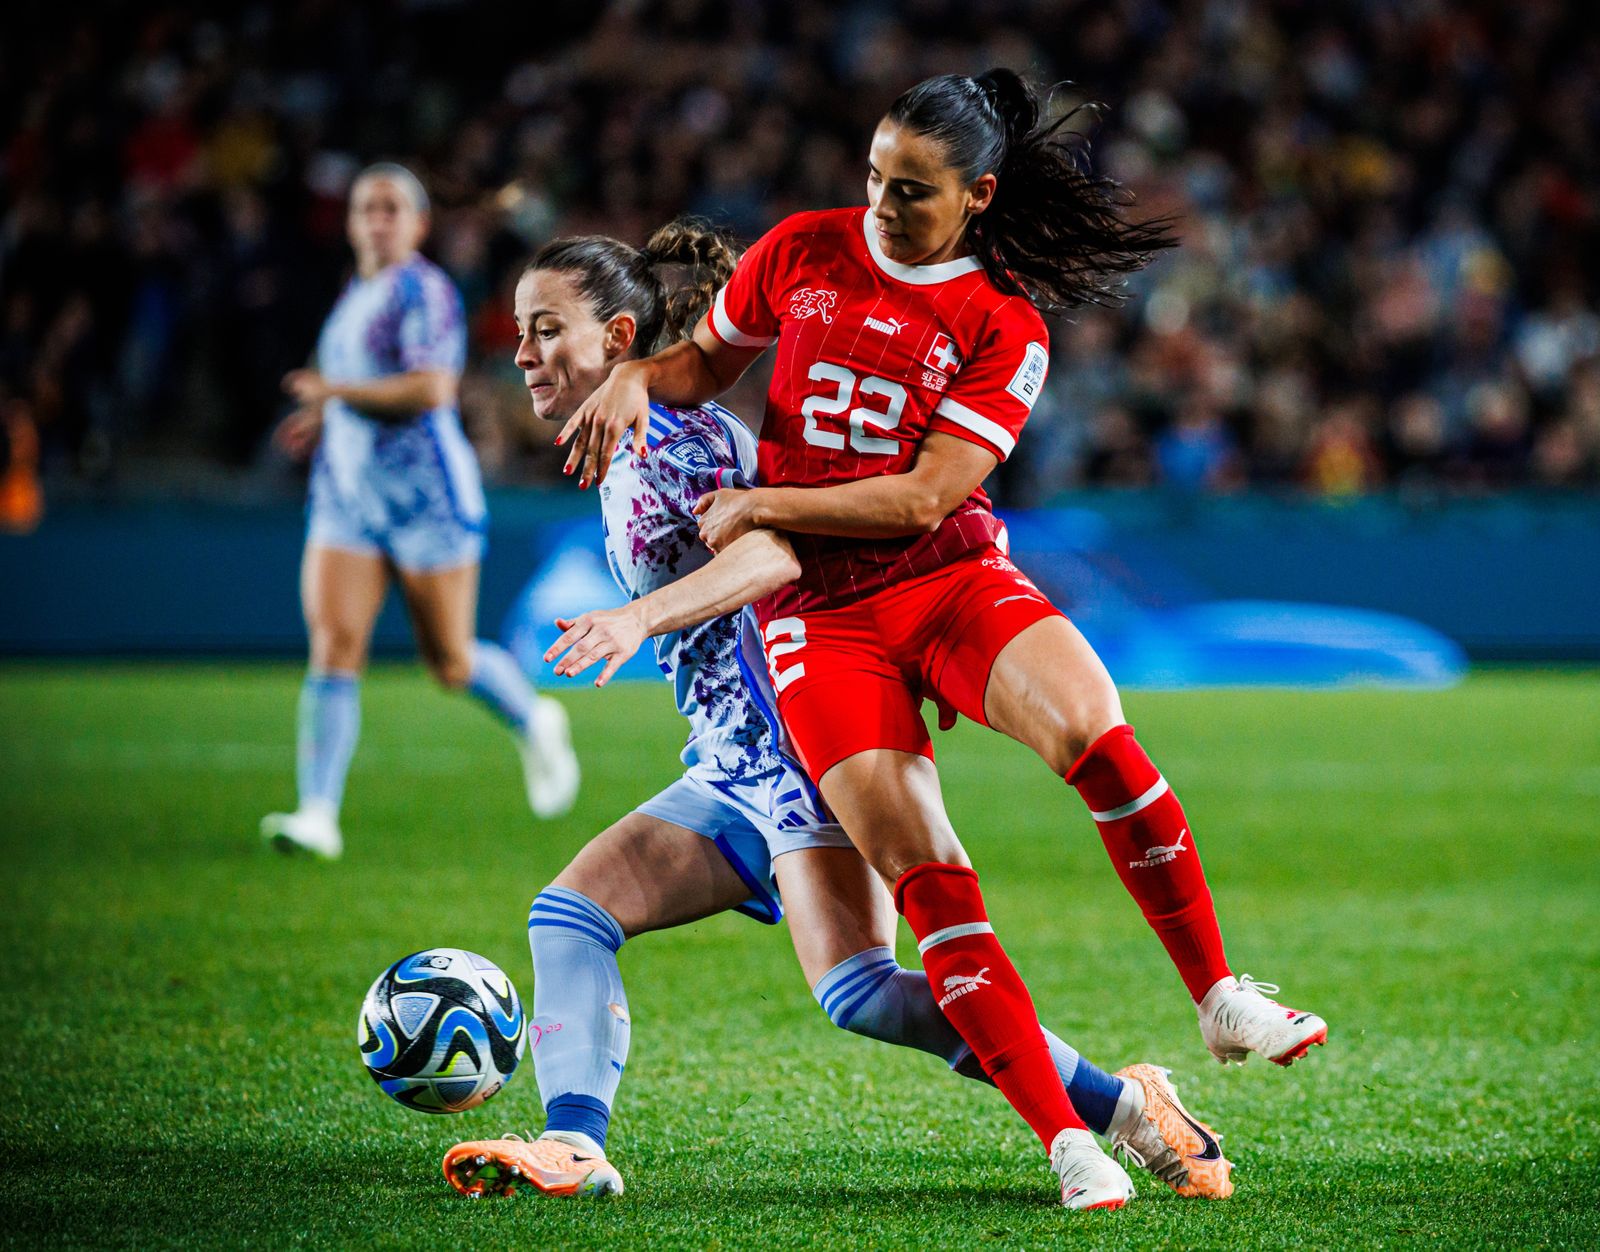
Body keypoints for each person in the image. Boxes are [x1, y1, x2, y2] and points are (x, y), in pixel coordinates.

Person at [555, 69, 1327, 1186]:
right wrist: (638, 373)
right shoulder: (800, 250)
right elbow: (701, 365)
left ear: (978, 194)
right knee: (928, 875)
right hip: (818, 620)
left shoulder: (1005, 323)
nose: (879, 208)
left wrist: (765, 500)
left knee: (1097, 740)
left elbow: (922, 496)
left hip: (948, 575)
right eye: (872, 178)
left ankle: (1218, 994)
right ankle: (1071, 1138)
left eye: (910, 192)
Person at [440, 227, 1232, 1211]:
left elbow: (778, 556)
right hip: (737, 759)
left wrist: (635, 616)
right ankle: (1123, 1105)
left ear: (620, 337)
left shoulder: (665, 445)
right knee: (617, 927)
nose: (522, 355)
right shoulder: (633, 442)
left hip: (803, 743)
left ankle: (1116, 1107)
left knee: (816, 975)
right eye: (519, 332)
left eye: (545, 330)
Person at [261, 163, 578, 859]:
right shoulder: (356, 293)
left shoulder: (424, 292)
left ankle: (534, 716)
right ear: (349, 222)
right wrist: (323, 417)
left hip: (426, 499)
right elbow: (359, 388)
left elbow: (432, 389)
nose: (376, 221)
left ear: (417, 224)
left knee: (450, 661)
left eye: (390, 209)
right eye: (365, 208)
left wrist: (334, 392)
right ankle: (318, 813)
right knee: (334, 646)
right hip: (349, 495)